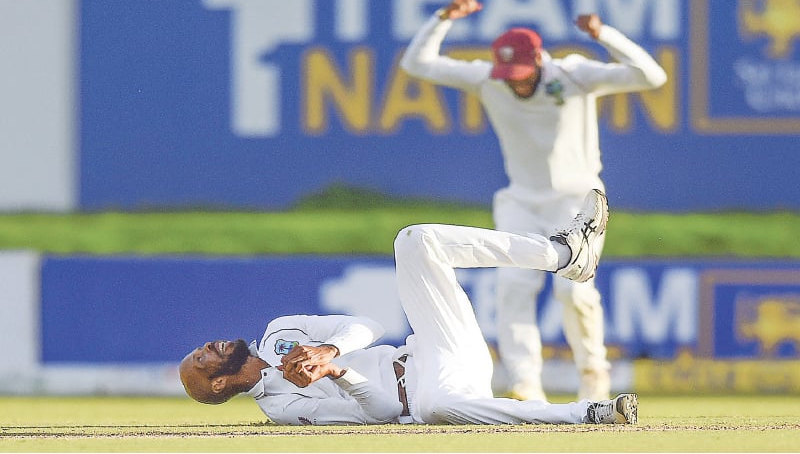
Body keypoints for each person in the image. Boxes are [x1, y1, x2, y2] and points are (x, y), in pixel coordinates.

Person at [399, 0, 667, 402]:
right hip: (520, 200)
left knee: (574, 291)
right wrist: (441, 19)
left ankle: (593, 375)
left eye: (522, 72)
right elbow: (418, 65)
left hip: (577, 200)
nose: (515, 81)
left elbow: (651, 77)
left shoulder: (574, 74)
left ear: (541, 60)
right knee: (513, 286)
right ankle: (525, 384)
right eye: (509, 73)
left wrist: (605, 35)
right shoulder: (489, 78)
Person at [179, 189, 637, 426]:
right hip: (427, 396)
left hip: (434, 349)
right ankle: (590, 413)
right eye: (203, 360)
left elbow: (370, 324)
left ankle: (563, 255)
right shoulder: (281, 406)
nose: (208, 347)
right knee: (437, 405)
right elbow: (378, 414)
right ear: (219, 383)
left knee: (415, 240)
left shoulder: (281, 330)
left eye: (201, 349)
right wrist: (341, 377)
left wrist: (330, 353)